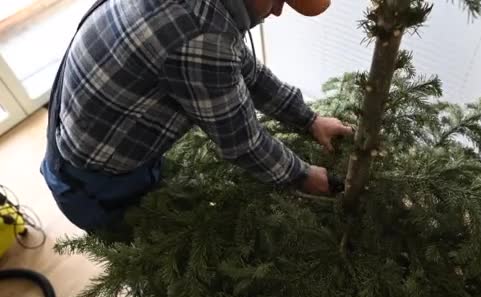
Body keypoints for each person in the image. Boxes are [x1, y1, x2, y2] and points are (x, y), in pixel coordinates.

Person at [41, 0, 351, 233]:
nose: (278, 12)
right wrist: (302, 175)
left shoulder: (206, 12)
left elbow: (244, 69)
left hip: (79, 124)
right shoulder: (202, 36)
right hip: (97, 180)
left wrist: (309, 119)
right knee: (142, 245)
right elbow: (243, 144)